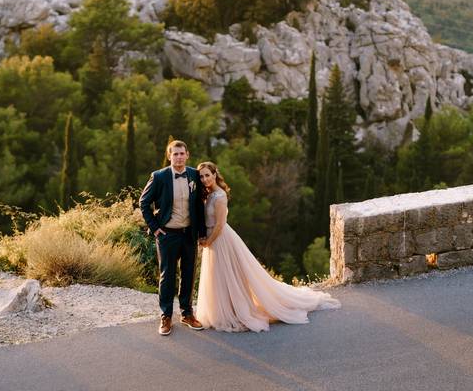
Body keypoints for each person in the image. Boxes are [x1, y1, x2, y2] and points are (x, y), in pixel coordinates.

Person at [194, 161, 340, 332]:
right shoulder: (209, 194)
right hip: (213, 239)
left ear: (214, 175)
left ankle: (236, 311)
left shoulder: (219, 196)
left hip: (220, 239)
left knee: (228, 274)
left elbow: (220, 224)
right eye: (202, 176)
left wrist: (208, 242)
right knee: (220, 276)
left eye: (207, 175)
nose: (204, 179)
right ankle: (225, 309)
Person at [139, 140, 207, 336]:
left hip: (189, 234)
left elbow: (200, 206)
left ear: (187, 155)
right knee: (167, 276)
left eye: (181, 153)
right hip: (167, 235)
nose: (178, 157)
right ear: (170, 156)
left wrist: (202, 232)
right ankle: (166, 316)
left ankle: (187, 314)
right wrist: (155, 228)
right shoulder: (159, 176)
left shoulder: (195, 174)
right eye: (175, 154)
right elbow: (144, 203)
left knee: (188, 274)